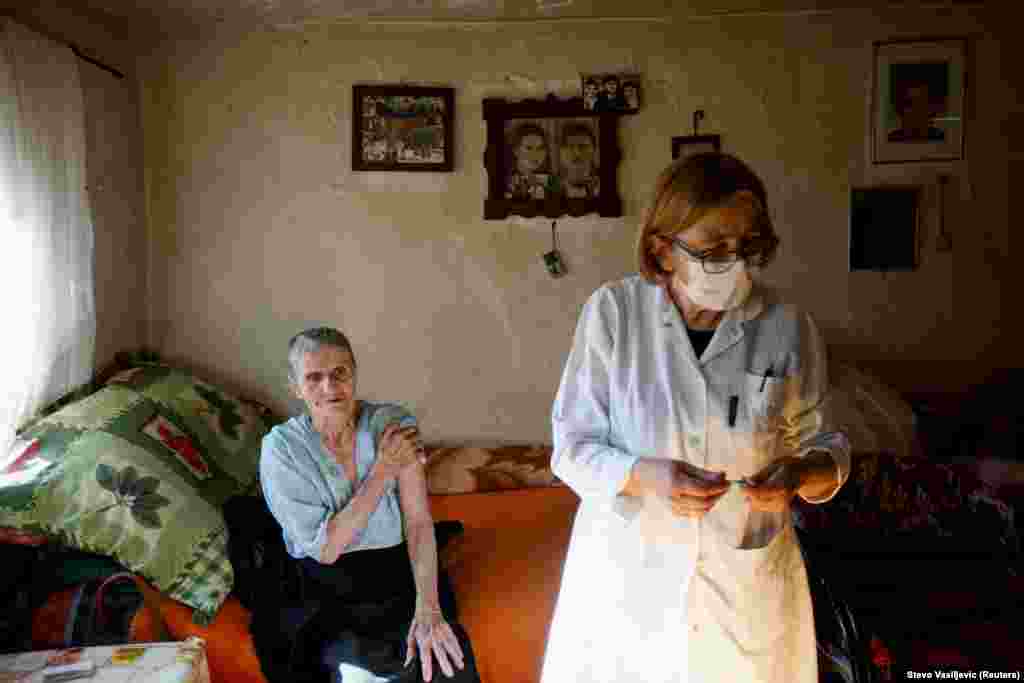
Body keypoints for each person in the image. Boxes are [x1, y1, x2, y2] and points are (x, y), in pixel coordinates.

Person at [541, 152, 851, 682]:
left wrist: (798, 474)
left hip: (744, 590)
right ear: (663, 251)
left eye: (748, 248)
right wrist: (644, 476)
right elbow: (571, 450)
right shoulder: (614, 314)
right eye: (713, 251)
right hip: (627, 589)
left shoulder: (786, 327)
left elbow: (828, 444)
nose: (735, 264)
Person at [260, 327, 479, 683]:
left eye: (340, 373)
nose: (330, 388)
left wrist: (428, 607)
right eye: (314, 378)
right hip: (325, 590)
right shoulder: (281, 449)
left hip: (397, 576)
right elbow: (328, 548)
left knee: (442, 662)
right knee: (354, 671)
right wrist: (383, 470)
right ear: (295, 387)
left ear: (354, 373)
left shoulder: (391, 424)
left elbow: (419, 523)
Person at [887, 78, 945, 142]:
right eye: (910, 103)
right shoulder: (892, 140)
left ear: (931, 108)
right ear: (899, 109)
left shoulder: (942, 139)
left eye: (921, 103)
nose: (915, 109)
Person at [506, 122, 551, 200]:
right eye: (529, 148)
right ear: (516, 150)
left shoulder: (552, 183)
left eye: (540, 148)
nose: (535, 155)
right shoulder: (506, 183)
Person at [557, 122, 599, 199]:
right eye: (570, 147)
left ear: (594, 150)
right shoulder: (550, 187)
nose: (577, 153)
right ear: (561, 152)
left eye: (583, 146)